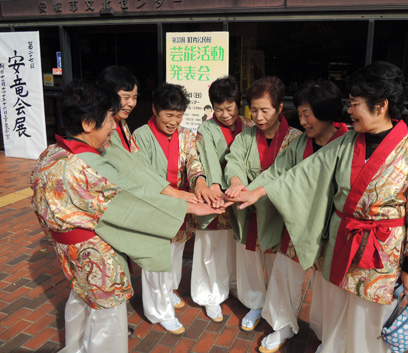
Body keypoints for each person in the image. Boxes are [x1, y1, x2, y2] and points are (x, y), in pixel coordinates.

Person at [228, 61, 408, 353]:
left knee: (368, 314)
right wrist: (258, 191)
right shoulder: (347, 143)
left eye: (355, 104)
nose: (350, 110)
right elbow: (303, 172)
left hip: (381, 250)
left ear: (380, 105)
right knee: (336, 302)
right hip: (341, 237)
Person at [30, 80, 223, 353]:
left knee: (81, 299)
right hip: (95, 254)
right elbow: (129, 203)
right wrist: (186, 207)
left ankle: (75, 347)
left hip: (68, 249)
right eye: (109, 119)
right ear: (87, 123)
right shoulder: (85, 166)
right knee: (107, 315)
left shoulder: (52, 153)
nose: (113, 126)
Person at [229, 79, 348, 352]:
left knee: (330, 290)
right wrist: (253, 192)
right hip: (297, 223)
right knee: (284, 275)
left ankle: (327, 336)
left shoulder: (348, 142)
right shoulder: (301, 143)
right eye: (302, 113)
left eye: (308, 114)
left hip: (332, 226)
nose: (303, 120)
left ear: (327, 111)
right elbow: (278, 172)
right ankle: (282, 325)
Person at [132, 83, 220, 334]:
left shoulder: (186, 135)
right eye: (168, 115)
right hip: (155, 202)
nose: (174, 121)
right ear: (154, 110)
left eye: (179, 115)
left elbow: (193, 161)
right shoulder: (140, 136)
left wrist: (200, 182)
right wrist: (176, 195)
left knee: (176, 250)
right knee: (154, 258)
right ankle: (158, 311)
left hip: (182, 203)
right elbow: (143, 175)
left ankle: (169, 290)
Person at [224, 76, 302, 333]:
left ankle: (280, 310)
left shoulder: (295, 138)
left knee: (279, 266)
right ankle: (255, 302)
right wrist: (235, 180)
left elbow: (290, 175)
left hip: (279, 213)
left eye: (265, 110)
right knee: (250, 260)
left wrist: (259, 191)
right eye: (254, 110)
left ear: (280, 108)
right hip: (250, 211)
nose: (258, 117)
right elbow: (234, 160)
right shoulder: (246, 137)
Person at [193, 76, 254, 322]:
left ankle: (236, 287)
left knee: (238, 247)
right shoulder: (205, 129)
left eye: (230, 108)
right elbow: (206, 159)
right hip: (215, 195)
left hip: (240, 196)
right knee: (213, 247)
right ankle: (211, 295)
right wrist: (214, 185)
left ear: (239, 104)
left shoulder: (249, 125)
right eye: (219, 109)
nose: (225, 114)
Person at [96, 66, 194, 203]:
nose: (131, 103)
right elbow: (127, 165)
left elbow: (136, 162)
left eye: (134, 97)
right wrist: (169, 192)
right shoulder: (102, 127)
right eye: (126, 97)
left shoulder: (121, 124)